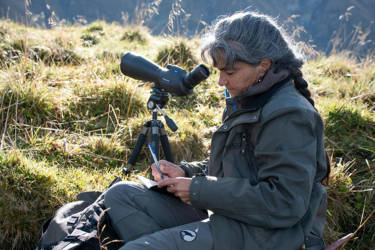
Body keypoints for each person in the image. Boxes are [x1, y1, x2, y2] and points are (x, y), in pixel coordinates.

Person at [104, 11, 330, 250]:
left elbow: (285, 202)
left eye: (229, 72)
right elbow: (239, 168)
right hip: (229, 216)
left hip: (267, 236)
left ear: (263, 66)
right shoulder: (247, 95)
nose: (221, 81)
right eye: (220, 70)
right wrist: (186, 172)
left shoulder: (288, 116)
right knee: (120, 195)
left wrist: (198, 190)